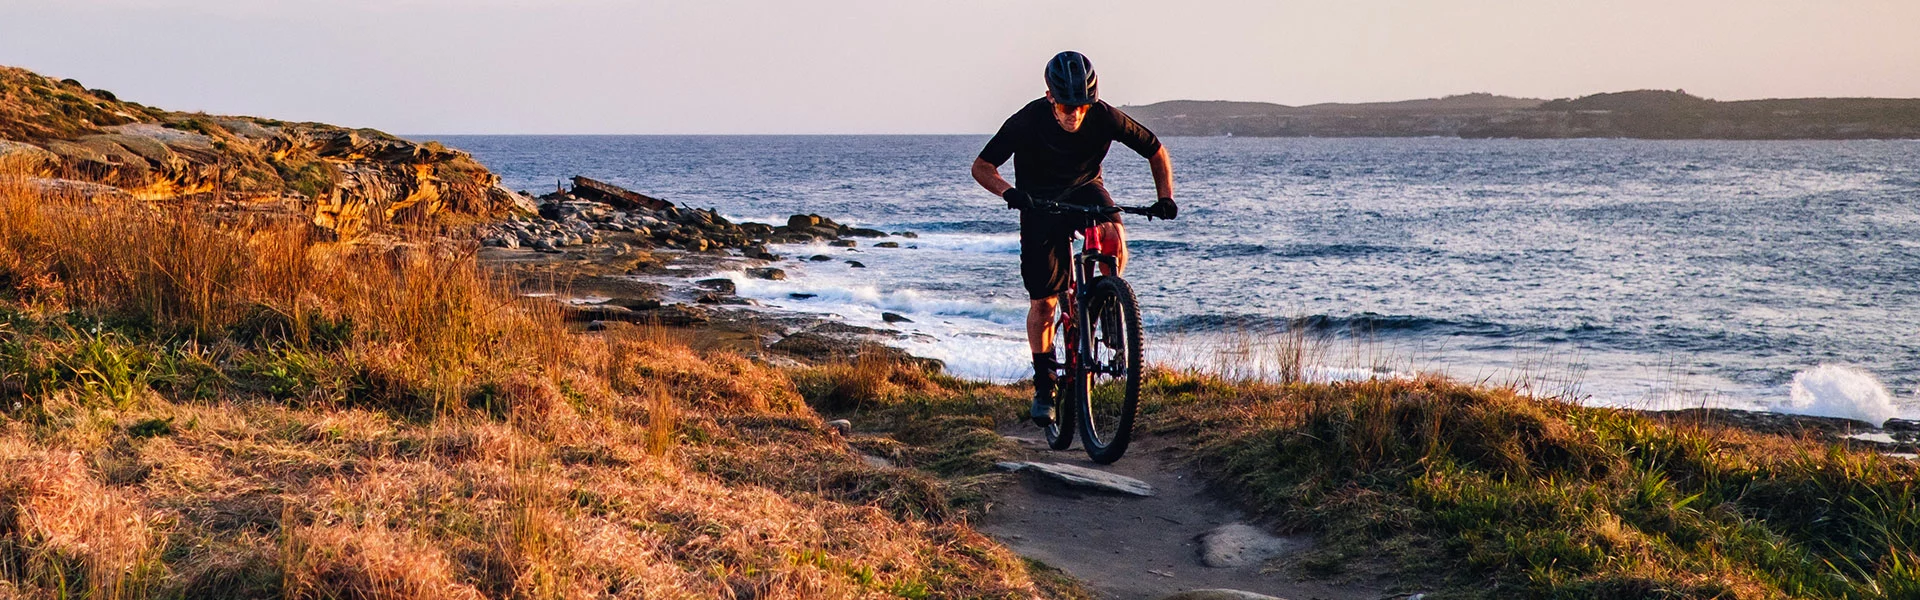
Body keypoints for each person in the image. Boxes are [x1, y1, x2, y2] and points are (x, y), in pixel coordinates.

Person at [969, 50, 1177, 427]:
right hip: (1036, 201)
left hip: (1084, 190)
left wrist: (1165, 197)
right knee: (1045, 305)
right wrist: (1009, 193)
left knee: (1114, 235)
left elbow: (1155, 149)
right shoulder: (1027, 120)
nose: (1074, 113)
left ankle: (1106, 301)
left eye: (1082, 105)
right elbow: (981, 167)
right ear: (1051, 97)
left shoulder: (1105, 117)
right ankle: (1045, 384)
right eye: (1066, 105)